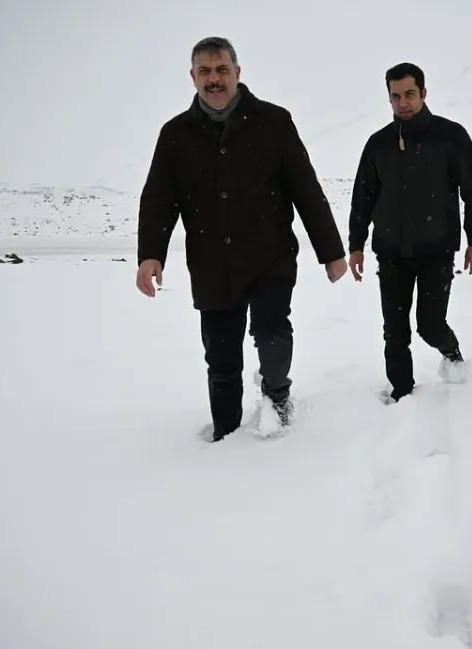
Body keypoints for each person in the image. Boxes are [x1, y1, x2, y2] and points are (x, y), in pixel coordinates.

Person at [135, 36, 348, 442]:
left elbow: (305, 188)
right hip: (212, 263)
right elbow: (159, 199)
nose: (214, 79)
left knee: (270, 332)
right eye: (205, 71)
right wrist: (151, 255)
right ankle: (226, 434)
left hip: (270, 255)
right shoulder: (175, 135)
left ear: (237, 73)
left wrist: (331, 253)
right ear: (193, 76)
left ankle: (276, 395)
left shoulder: (274, 122)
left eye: (221, 70)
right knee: (221, 356)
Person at [346, 62, 472, 403]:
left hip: (436, 250)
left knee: (429, 324)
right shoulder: (378, 143)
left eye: (409, 94)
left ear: (423, 93)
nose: (403, 103)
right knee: (394, 331)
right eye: (395, 97)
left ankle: (451, 354)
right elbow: (362, 197)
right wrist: (356, 245)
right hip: (391, 251)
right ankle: (401, 393)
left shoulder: (450, 136)